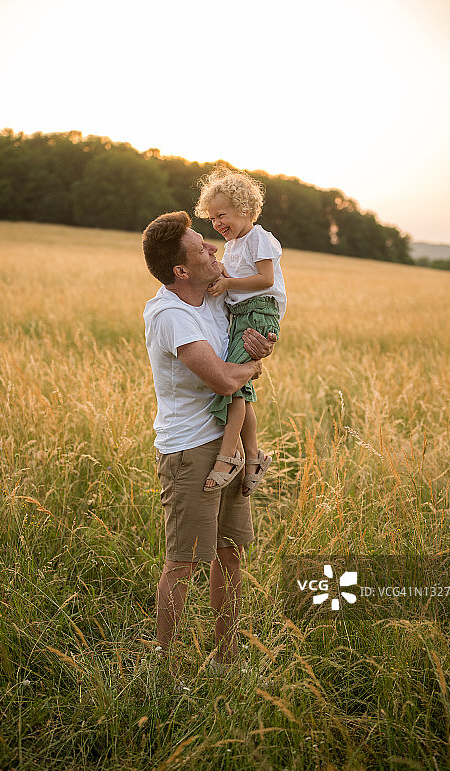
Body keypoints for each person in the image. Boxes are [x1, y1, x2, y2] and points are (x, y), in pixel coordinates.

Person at [142, 210, 276, 672]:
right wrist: (251, 369)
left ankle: (227, 658)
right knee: (183, 564)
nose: (214, 249)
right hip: (190, 453)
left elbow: (248, 341)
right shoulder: (169, 314)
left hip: (229, 444)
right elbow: (222, 379)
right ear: (181, 270)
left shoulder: (216, 299)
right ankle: (166, 671)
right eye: (202, 248)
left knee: (230, 554)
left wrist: (261, 348)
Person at [194, 168, 286, 495]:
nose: (217, 224)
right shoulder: (232, 244)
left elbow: (265, 280)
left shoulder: (258, 238)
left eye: (221, 215)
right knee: (240, 389)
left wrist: (229, 283)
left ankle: (228, 456)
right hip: (241, 315)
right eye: (211, 219)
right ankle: (254, 456)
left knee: (232, 385)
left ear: (245, 210)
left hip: (258, 314)